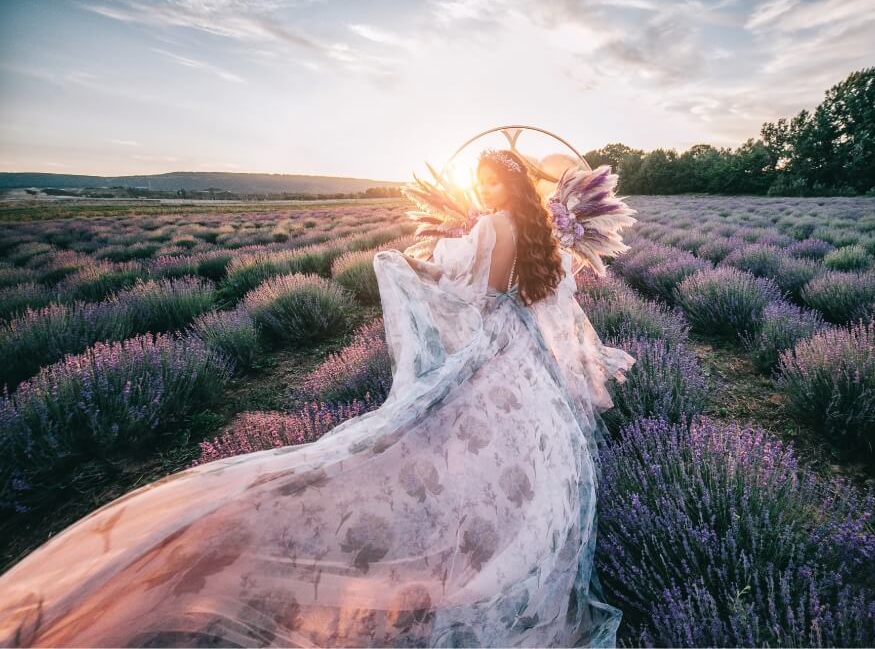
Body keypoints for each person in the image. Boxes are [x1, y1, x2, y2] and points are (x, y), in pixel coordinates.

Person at [0, 148, 636, 648]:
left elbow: (483, 294)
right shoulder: (544, 235)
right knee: (517, 447)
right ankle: (511, 547)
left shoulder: (496, 224)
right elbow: (536, 297)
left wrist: (423, 269)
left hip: (493, 341)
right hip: (523, 354)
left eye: (486, 183)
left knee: (420, 431)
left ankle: (451, 549)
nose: (484, 193)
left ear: (500, 186)